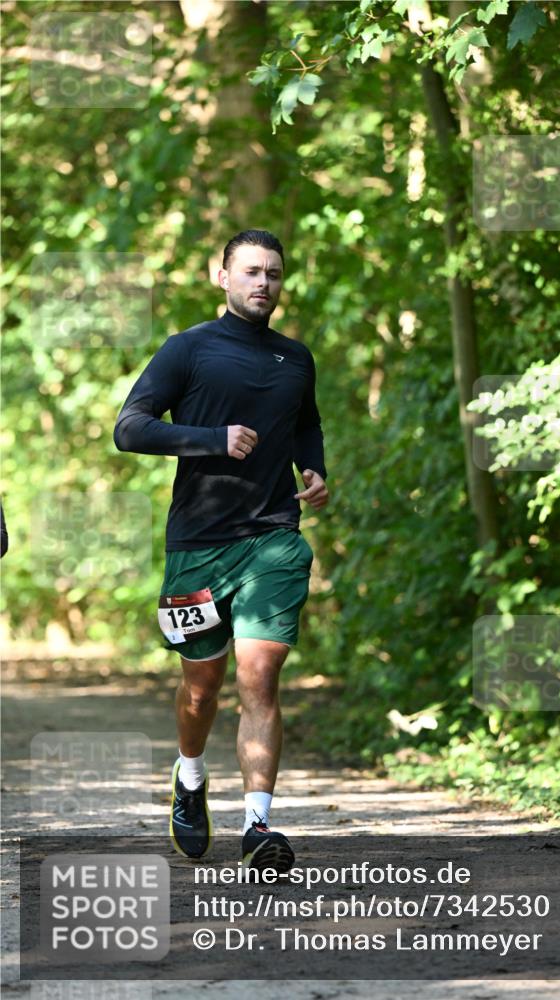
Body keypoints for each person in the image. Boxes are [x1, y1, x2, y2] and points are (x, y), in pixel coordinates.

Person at [113, 229, 329, 871]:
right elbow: (130, 428)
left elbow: (306, 422)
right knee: (201, 689)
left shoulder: (297, 358)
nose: (264, 283)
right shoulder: (188, 350)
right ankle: (189, 774)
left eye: (274, 274)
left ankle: (259, 826)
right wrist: (212, 438)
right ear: (223, 277)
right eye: (252, 272)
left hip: (273, 539)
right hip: (199, 545)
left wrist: (312, 468)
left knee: (259, 677)